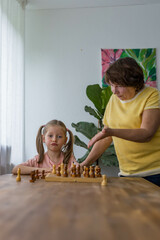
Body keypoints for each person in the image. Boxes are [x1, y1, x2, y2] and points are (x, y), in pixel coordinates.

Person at [80, 57, 160, 186]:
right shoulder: (114, 99)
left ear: (135, 82)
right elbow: (106, 137)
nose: (114, 91)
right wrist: (85, 164)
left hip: (154, 174)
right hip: (126, 174)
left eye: (119, 86)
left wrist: (111, 131)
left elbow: (146, 134)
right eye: (112, 85)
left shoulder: (152, 95)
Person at [12, 119, 77, 175]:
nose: (54, 139)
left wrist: (62, 172)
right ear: (43, 138)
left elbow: (80, 170)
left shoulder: (69, 158)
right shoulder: (38, 159)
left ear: (65, 140)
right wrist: (42, 170)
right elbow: (15, 169)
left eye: (59, 136)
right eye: (50, 136)